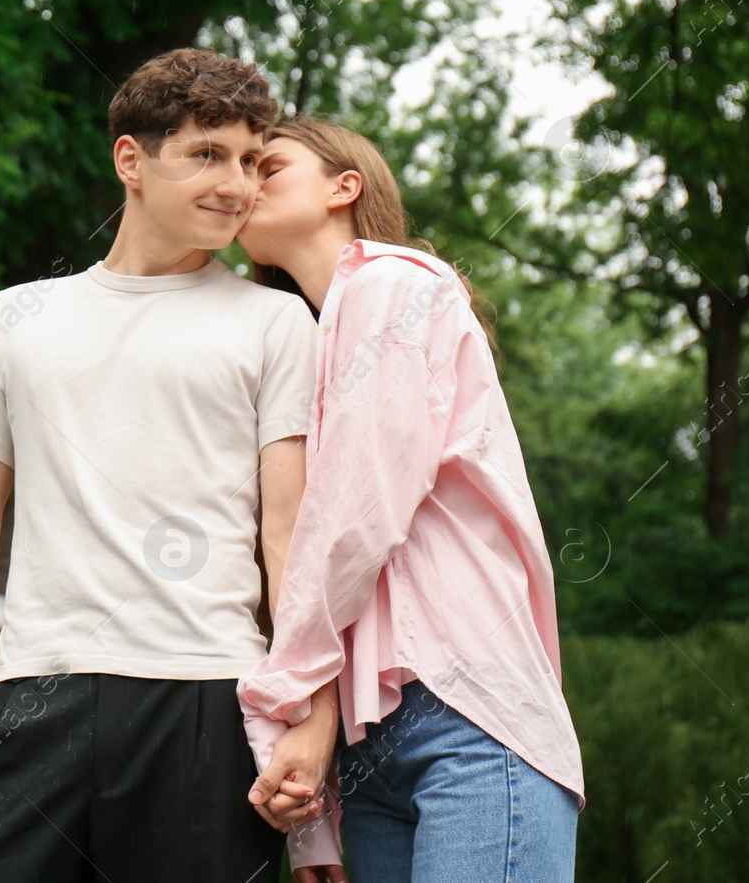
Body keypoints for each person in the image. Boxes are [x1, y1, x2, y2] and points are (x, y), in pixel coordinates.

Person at [0, 48, 343, 881]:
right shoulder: (17, 318)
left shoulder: (276, 323)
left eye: (253, 161)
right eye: (207, 154)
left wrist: (312, 710)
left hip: (206, 702)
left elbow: (291, 534)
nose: (237, 183)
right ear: (131, 160)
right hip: (32, 695)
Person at [235, 118, 585, 881]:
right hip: (370, 752)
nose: (240, 182)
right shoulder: (304, 341)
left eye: (267, 165)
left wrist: (280, 699)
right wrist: (316, 817)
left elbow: (355, 514)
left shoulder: (395, 285)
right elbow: (293, 548)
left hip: (471, 713)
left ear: (343, 186)